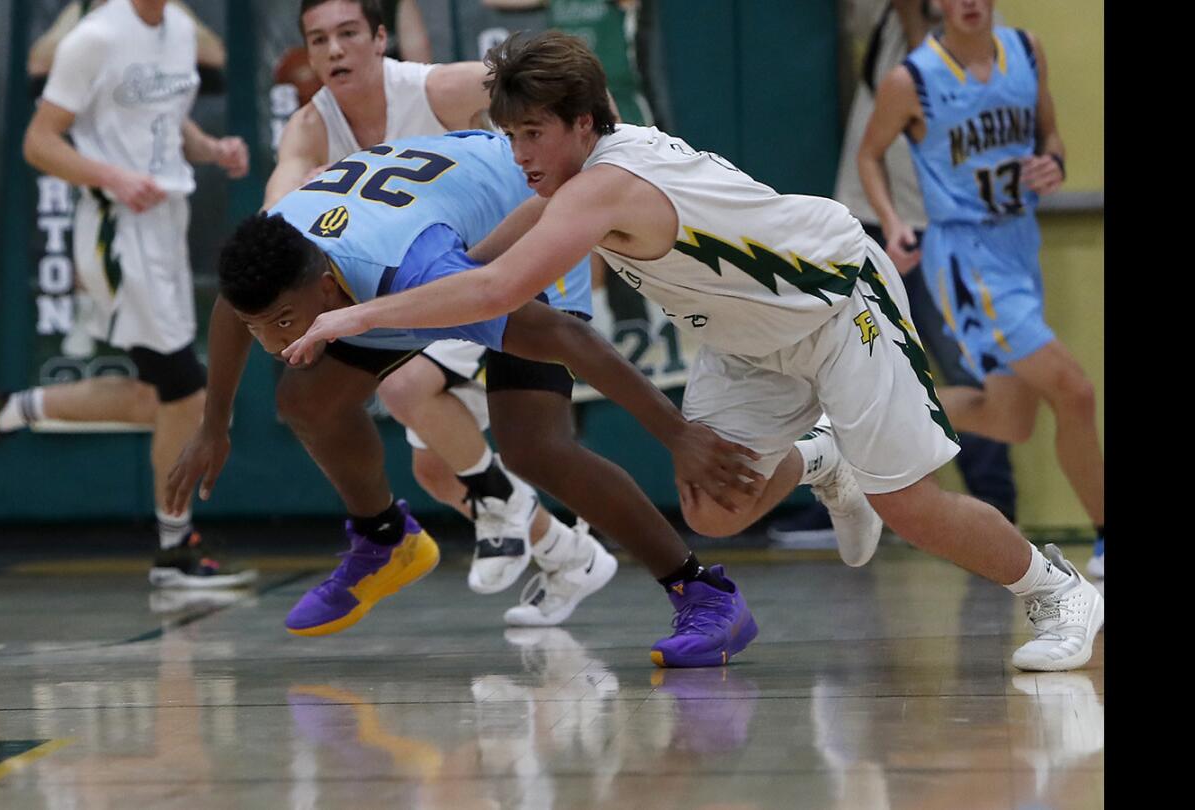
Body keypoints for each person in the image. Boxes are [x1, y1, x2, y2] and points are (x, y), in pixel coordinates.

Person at [285, 31, 1103, 671]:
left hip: (837, 298)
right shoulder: (576, 175)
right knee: (715, 506)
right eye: (510, 135)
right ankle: (823, 460)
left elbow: (496, 291)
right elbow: (494, 256)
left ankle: (1056, 591)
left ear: (582, 122)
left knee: (911, 507)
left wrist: (350, 318)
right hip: (747, 342)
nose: (520, 153)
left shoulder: (606, 185)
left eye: (533, 133)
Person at [167, 130, 765, 666]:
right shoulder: (277, 256)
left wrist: (678, 435)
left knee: (534, 447)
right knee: (306, 399)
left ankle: (704, 593)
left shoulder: (415, 270)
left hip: (511, 232)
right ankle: (384, 540)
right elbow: (232, 306)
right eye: (262, 328)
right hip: (405, 231)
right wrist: (213, 423)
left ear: (325, 290)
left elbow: (569, 339)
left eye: (283, 322)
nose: (273, 342)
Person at [261, 0, 607, 619]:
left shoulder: (442, 87)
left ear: (379, 38)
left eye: (347, 34)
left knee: (407, 386)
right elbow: (274, 216)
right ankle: (564, 553)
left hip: (510, 257)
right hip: (424, 279)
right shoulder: (310, 129)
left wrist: (592, 183)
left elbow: (562, 94)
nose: (334, 50)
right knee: (435, 472)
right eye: (319, 40)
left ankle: (506, 503)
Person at [856, 0, 1103, 579]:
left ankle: (860, 419)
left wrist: (1053, 164)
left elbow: (1051, 139)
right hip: (965, 258)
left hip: (1019, 245)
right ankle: (1103, 541)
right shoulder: (911, 78)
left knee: (1010, 418)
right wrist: (892, 221)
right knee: (1075, 391)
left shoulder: (1026, 50)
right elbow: (870, 155)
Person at [21, 0, 255, 588]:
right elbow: (39, 142)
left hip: (167, 223)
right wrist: (115, 177)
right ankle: (173, 552)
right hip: (116, 229)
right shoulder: (93, 38)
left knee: (166, 400)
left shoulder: (179, 30)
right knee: (184, 389)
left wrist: (211, 149)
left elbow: (168, 118)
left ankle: (15, 407)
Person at [771, 0, 1018, 548]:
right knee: (844, 365)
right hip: (866, 218)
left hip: (945, 230)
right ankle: (843, 492)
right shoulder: (881, 17)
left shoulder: (984, 36)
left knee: (965, 371)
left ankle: (993, 509)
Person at [483, 0, 654, 337]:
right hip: (564, 107)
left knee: (605, 215)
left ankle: (638, 318)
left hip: (617, 105)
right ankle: (598, 317)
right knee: (581, 218)